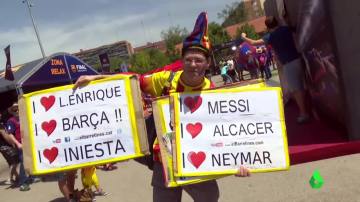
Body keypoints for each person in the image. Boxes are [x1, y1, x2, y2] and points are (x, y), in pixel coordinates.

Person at [74, 12, 250, 202]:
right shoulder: (167, 79)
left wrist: (238, 162)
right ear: (182, 61)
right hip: (165, 160)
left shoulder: (213, 92)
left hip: (198, 159)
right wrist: (96, 77)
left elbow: (228, 131)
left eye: (199, 60)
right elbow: (132, 80)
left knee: (210, 197)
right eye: (189, 59)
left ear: (208, 63)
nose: (193, 65)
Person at [241, 16, 310, 123]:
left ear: (267, 27)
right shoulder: (286, 29)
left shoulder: (271, 36)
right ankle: (306, 109)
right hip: (298, 59)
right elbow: (292, 27)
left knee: (296, 89)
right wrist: (283, 19)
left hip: (288, 64)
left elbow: (254, 43)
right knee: (302, 85)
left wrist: (244, 37)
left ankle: (303, 113)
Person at [6, 103, 31, 191]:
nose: (17, 111)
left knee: (29, 160)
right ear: (12, 111)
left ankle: (29, 177)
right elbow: (10, 134)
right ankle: (23, 183)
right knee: (23, 162)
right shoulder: (11, 121)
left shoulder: (24, 118)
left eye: (18, 109)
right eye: (14, 110)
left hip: (28, 142)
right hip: (20, 144)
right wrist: (17, 144)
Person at [0, 111, 20, 185]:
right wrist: (12, 143)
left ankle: (17, 177)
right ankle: (10, 179)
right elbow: (5, 136)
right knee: (15, 161)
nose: (0, 114)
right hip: (5, 146)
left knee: (11, 162)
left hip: (2, 147)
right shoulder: (0, 125)